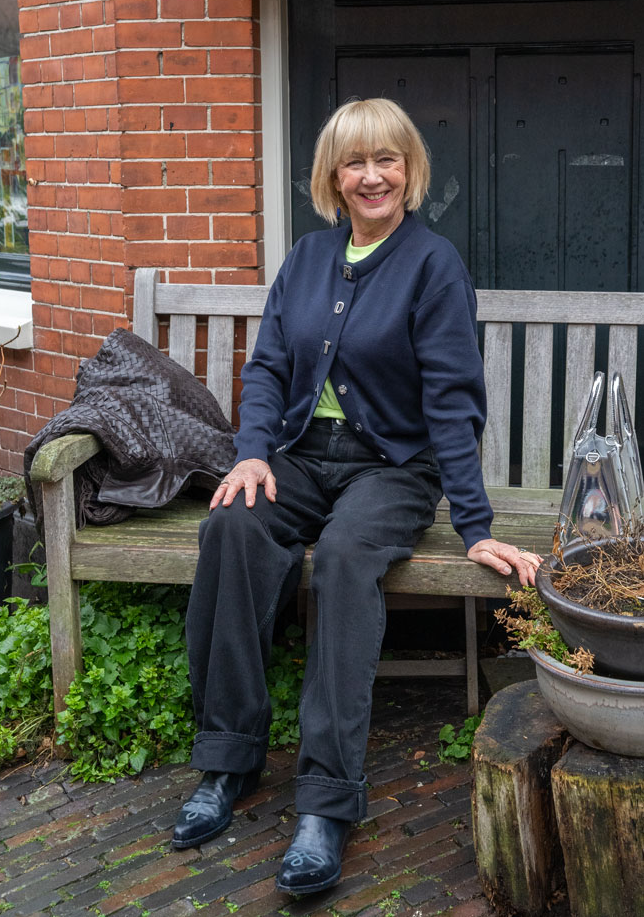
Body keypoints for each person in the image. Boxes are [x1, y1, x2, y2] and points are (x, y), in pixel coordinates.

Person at [171, 97, 542, 894]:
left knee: (343, 561)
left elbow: (451, 397)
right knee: (232, 529)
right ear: (331, 178)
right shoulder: (306, 258)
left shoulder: (431, 263)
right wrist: (251, 455)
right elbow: (268, 367)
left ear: (409, 170)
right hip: (302, 457)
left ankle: (326, 802)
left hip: (392, 469)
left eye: (387, 159)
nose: (371, 175)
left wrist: (472, 525)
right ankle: (226, 761)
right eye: (354, 162)